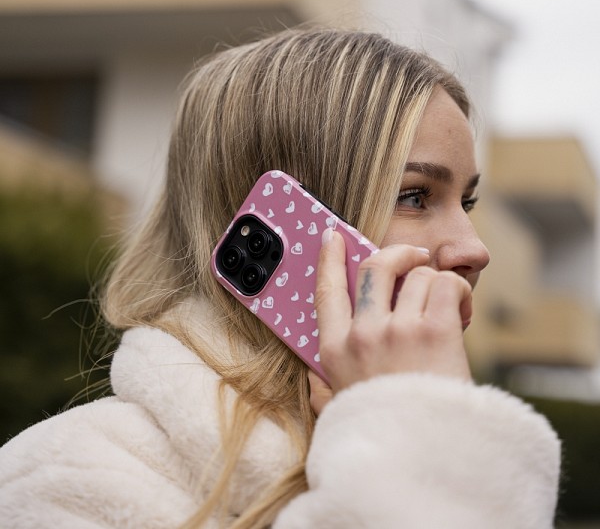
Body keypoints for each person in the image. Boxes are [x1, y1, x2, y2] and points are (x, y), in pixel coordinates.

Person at [0, 28, 560, 528]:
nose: (474, 249)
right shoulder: (66, 482)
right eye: (415, 196)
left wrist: (418, 430)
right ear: (291, 228)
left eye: (467, 201)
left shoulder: (446, 440)